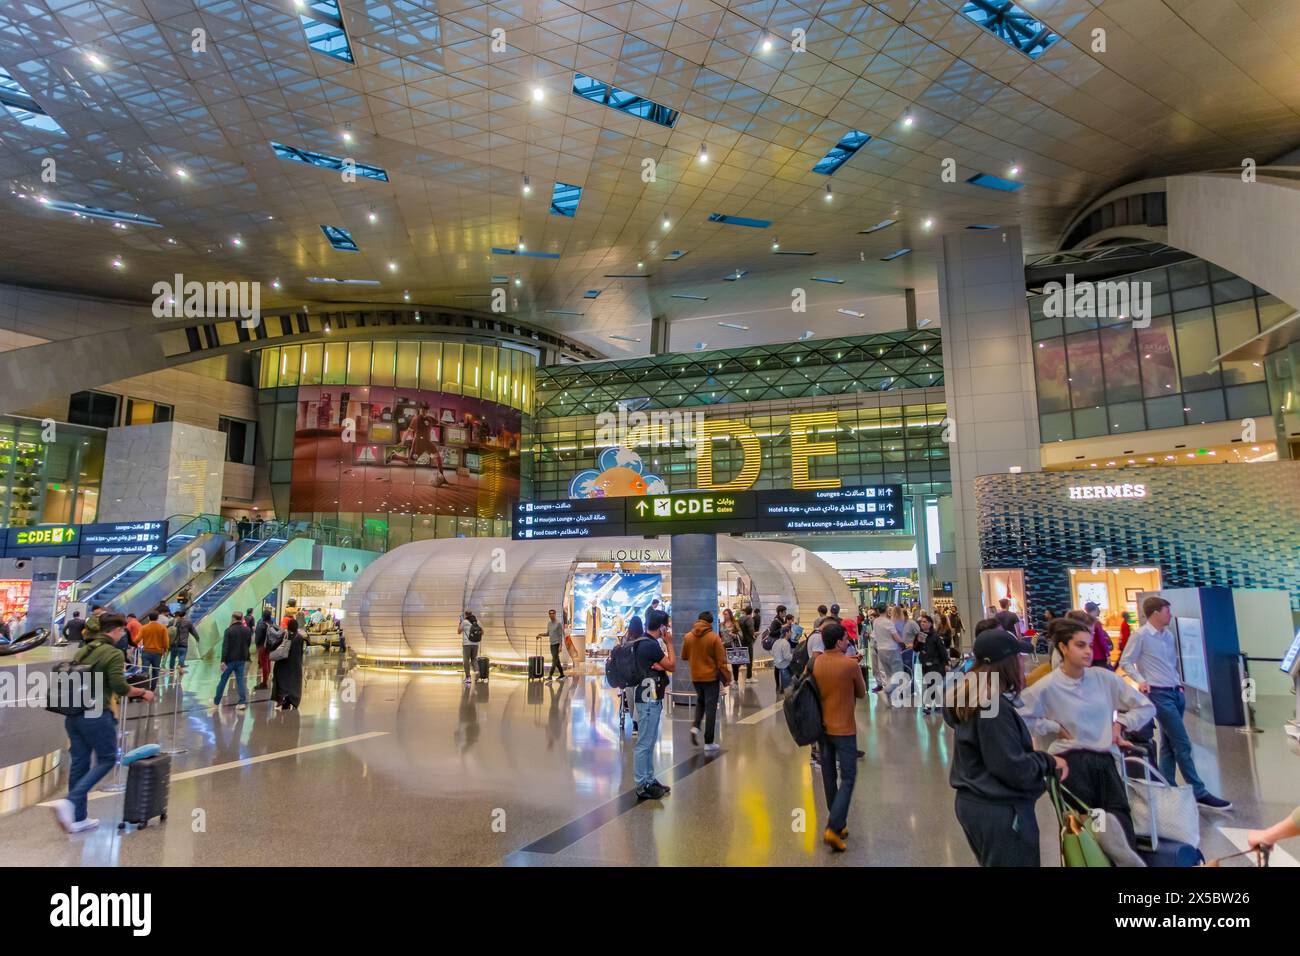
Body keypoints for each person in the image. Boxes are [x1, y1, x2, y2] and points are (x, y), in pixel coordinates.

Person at [1018, 617, 1157, 848]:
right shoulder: (1048, 685)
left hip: (1105, 762)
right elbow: (1020, 717)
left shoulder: (1104, 679)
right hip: (1071, 766)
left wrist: (1120, 724)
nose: (1088, 651)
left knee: (1119, 827)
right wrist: (1052, 727)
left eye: (1090, 645)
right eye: (1080, 645)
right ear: (1063, 648)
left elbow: (1146, 706)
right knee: (1088, 834)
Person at [944, 627, 1067, 866]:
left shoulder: (973, 698)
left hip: (977, 804)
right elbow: (1011, 766)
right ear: (1005, 663)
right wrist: (1049, 762)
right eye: (1018, 657)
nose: (1022, 662)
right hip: (1000, 810)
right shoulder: (993, 708)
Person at [1118, 596, 1232, 810]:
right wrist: (1142, 681)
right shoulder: (1141, 635)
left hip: (1174, 692)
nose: (1170, 615)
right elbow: (1125, 661)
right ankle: (1198, 790)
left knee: (1169, 744)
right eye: (1166, 611)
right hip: (1158, 695)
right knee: (1182, 742)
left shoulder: (1167, 636)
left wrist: (1178, 683)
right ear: (1155, 613)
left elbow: (1170, 663)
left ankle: (1165, 786)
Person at [49, 613, 155, 835]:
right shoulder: (113, 653)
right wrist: (143, 691)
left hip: (74, 714)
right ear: (115, 630)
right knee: (107, 759)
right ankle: (70, 802)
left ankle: (78, 818)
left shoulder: (84, 650)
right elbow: (120, 686)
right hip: (96, 713)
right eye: (122, 630)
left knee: (80, 762)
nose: (123, 634)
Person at [812, 621, 866, 851]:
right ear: (838, 642)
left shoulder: (816, 662)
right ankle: (833, 827)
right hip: (844, 728)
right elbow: (861, 693)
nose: (848, 642)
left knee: (828, 775)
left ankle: (838, 822)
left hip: (822, 730)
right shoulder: (849, 666)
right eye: (846, 639)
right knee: (849, 777)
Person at [632, 609, 675, 800]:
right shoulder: (651, 645)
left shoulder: (643, 641)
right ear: (662, 626)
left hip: (648, 696)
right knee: (644, 743)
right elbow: (672, 665)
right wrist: (670, 643)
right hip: (648, 698)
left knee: (649, 742)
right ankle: (642, 784)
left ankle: (649, 779)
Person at [683, 610, 730, 754]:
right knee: (710, 709)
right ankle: (709, 742)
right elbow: (721, 661)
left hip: (696, 677)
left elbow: (684, 656)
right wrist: (727, 678)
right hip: (711, 678)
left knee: (701, 701)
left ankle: (695, 726)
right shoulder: (714, 638)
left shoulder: (688, 637)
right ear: (710, 623)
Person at [214, 611, 251, 711]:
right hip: (241, 659)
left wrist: (223, 661)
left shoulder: (229, 631)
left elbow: (225, 647)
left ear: (233, 618)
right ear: (242, 618)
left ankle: (216, 701)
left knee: (223, 680)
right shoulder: (247, 630)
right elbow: (248, 644)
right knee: (240, 680)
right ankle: (242, 702)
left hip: (229, 660)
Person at [871, 605, 905, 699]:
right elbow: (896, 637)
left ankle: (892, 696)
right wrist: (903, 643)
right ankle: (885, 692)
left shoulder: (875, 622)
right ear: (886, 610)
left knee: (889, 674)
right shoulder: (888, 622)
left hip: (881, 651)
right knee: (898, 674)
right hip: (892, 650)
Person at [916, 612, 947, 715]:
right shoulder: (919, 635)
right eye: (921, 622)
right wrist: (919, 642)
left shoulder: (935, 637)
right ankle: (936, 704)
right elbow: (916, 649)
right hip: (925, 664)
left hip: (935, 664)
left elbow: (942, 651)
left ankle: (929, 705)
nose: (922, 624)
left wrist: (945, 663)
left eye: (925, 622)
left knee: (933, 683)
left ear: (930, 623)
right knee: (930, 683)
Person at [272, 618, 305, 710]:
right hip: (295, 664)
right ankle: (292, 700)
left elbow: (275, 645)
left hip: (283, 663)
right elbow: (301, 652)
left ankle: (282, 699)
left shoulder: (284, 635)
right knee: (294, 683)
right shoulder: (300, 637)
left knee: (282, 682)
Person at [136, 611, 169, 692]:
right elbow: (166, 641)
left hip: (146, 652)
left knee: (145, 671)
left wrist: (133, 645)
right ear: (157, 618)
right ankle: (152, 689)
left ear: (148, 618)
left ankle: (144, 689)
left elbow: (137, 639)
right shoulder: (162, 628)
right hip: (157, 653)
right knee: (155, 671)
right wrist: (165, 650)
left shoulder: (144, 627)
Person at [168, 609, 199, 674]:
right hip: (183, 643)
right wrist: (197, 638)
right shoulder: (188, 622)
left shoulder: (172, 621)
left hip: (174, 643)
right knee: (182, 655)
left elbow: (168, 630)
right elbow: (193, 631)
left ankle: (171, 670)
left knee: (172, 657)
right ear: (184, 615)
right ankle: (180, 666)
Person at [254, 610, 276, 690]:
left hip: (262, 646)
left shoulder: (262, 624)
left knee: (264, 663)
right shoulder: (271, 623)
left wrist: (257, 645)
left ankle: (264, 683)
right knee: (268, 661)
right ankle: (267, 678)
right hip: (269, 645)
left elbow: (258, 636)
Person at [734, 605, 756, 682]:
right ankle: (749, 677)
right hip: (748, 641)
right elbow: (751, 631)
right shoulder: (750, 619)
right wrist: (754, 635)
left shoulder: (740, 619)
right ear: (751, 611)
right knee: (749, 659)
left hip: (741, 641)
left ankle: (735, 675)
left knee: (741, 659)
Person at [458, 611, 481, 685]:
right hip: (476, 644)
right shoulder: (477, 622)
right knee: (474, 659)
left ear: (466, 615)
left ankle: (468, 677)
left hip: (467, 644)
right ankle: (477, 672)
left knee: (466, 660)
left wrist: (460, 623)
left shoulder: (464, 622)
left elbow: (459, 631)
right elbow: (482, 632)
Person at [771, 619, 793, 692]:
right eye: (790, 632)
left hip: (777, 663)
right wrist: (793, 657)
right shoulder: (786, 643)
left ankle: (779, 686)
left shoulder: (776, 641)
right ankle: (789, 686)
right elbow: (787, 657)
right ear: (787, 633)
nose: (791, 633)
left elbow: (772, 652)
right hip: (783, 664)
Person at [546, 608, 565, 681]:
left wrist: (560, 646)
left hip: (557, 644)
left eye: (552, 613)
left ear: (555, 614)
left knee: (554, 660)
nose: (551, 615)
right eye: (550, 614)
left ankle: (550, 675)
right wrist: (540, 635)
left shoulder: (558, 623)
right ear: (549, 615)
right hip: (551, 644)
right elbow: (548, 633)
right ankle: (562, 674)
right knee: (557, 660)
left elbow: (560, 635)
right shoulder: (549, 623)